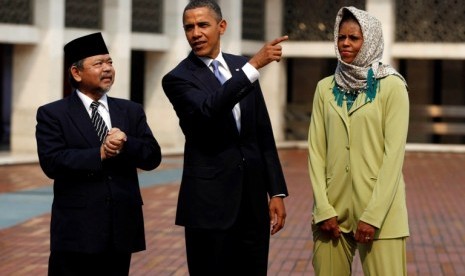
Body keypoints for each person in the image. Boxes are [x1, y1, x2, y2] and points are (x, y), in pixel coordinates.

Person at [161, 0, 289, 275]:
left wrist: (276, 191)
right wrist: (253, 66)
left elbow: (261, 132)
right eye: (189, 27)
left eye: (203, 25)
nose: (195, 33)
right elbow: (207, 112)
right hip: (209, 205)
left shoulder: (240, 66)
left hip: (252, 204)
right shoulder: (177, 79)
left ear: (222, 27)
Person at [35, 32, 162, 276]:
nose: (107, 69)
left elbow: (152, 156)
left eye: (110, 62)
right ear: (76, 72)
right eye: (99, 63)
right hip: (76, 231)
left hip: (120, 228)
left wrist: (126, 143)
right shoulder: (53, 114)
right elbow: (52, 162)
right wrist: (100, 153)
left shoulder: (130, 110)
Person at [307, 6, 410, 276]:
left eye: (354, 38)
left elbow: (393, 157)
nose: (345, 44)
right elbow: (316, 152)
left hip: (382, 215)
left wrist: (373, 216)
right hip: (331, 216)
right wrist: (323, 208)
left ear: (371, 40)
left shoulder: (392, 87)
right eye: (341, 37)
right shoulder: (324, 88)